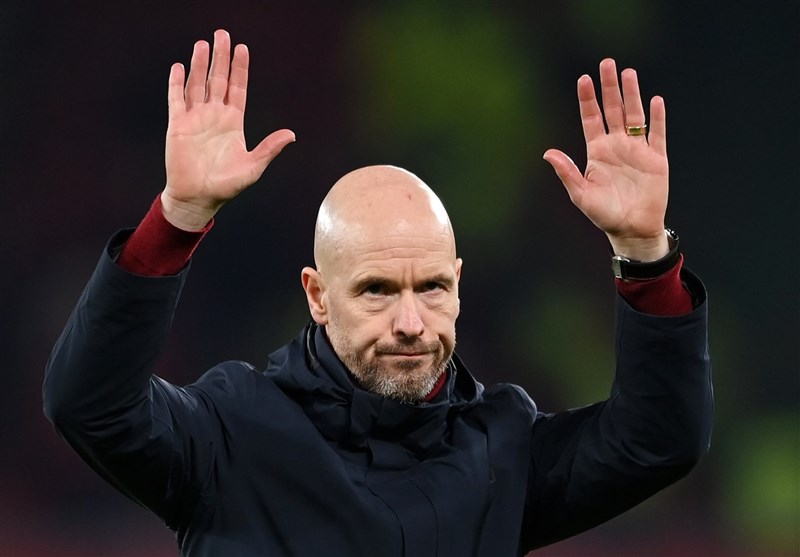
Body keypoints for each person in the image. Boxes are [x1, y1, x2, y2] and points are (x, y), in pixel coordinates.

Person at [44, 29, 713, 556]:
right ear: (317, 295)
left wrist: (644, 253)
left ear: (458, 284)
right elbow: (90, 405)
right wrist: (179, 217)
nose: (411, 321)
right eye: (377, 290)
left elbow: (660, 439)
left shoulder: (504, 449)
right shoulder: (230, 432)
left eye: (432, 287)